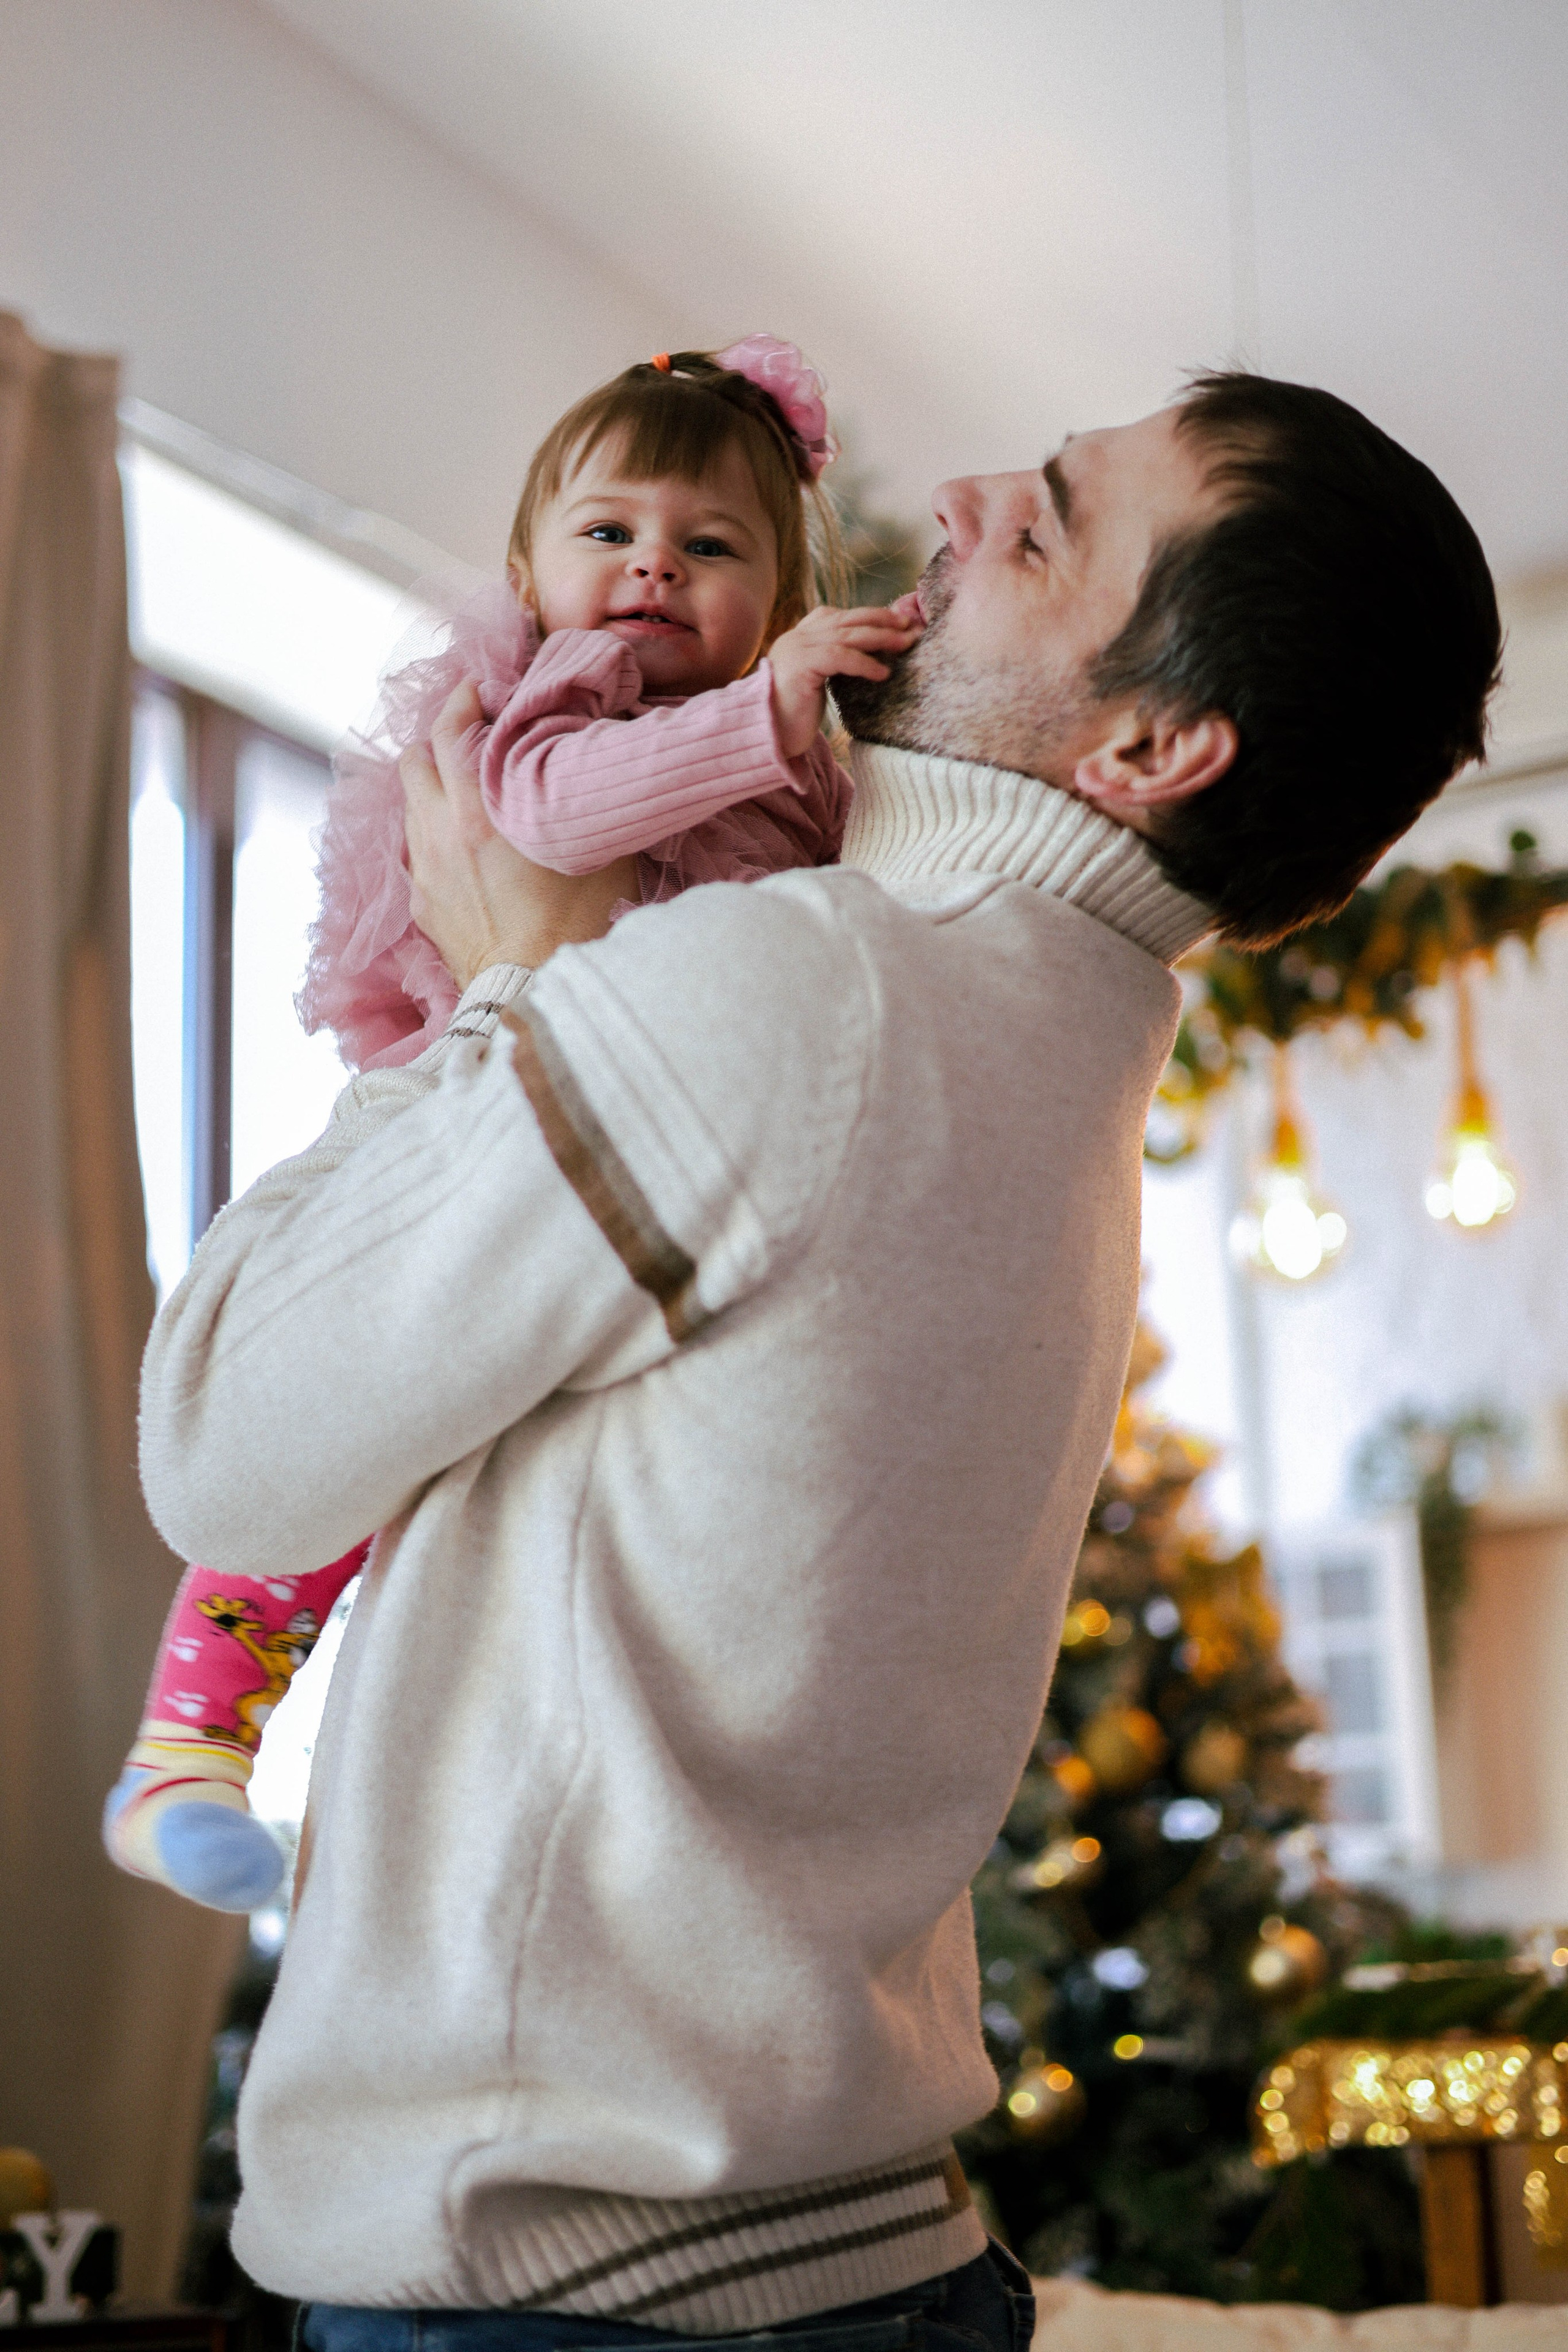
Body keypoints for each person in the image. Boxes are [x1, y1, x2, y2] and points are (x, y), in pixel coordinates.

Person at [137, 369, 1499, 2352]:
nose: (958, 495)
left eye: (1046, 521)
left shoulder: (807, 993)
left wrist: (506, 996)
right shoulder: (1063, 1057)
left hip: (565, 2279)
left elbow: (223, 1439)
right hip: (841, 2251)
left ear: (1150, 744)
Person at [105, 336, 920, 1913]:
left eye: (712, 546)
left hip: (633, 1145)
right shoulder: (561, 698)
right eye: (610, 531)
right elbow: (547, 820)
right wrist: (769, 706)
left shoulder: (794, 765)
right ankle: (189, 1746)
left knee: (493, 1450)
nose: (654, 569)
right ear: (529, 573)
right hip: (467, 1098)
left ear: (780, 593)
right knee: (344, 1405)